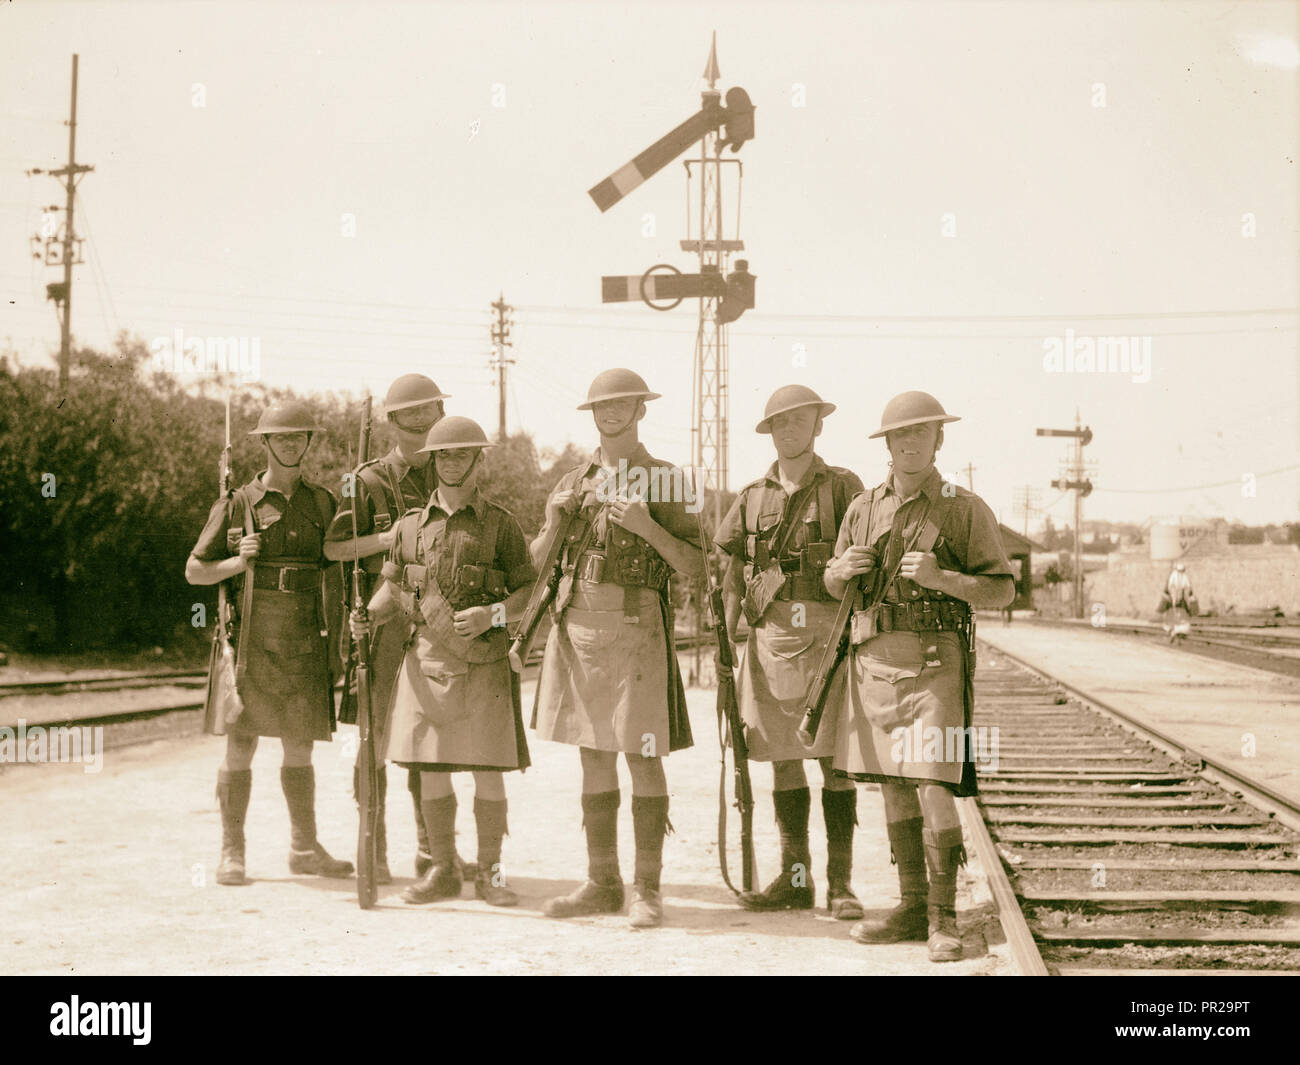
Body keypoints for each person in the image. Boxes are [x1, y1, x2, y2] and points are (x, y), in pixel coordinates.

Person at [823, 391, 1014, 962]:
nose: (909, 443)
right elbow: (836, 584)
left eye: (921, 434)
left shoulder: (963, 508)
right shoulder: (862, 507)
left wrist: (944, 578)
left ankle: (943, 919)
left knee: (933, 783)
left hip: (936, 661)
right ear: (887, 443)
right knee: (892, 784)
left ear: (939, 440)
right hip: (876, 660)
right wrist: (839, 573)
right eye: (899, 435)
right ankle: (909, 907)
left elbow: (1002, 590)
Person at [532, 368, 703, 928]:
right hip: (579, 626)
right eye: (602, 405)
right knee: (593, 754)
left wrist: (647, 526)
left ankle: (647, 890)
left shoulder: (667, 480)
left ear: (640, 410)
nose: (612, 412)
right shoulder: (573, 481)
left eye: (622, 403)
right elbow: (537, 563)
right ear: (592, 413)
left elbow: (697, 565)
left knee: (644, 756)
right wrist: (554, 521)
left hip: (637, 627)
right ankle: (601, 882)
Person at [351, 417, 536, 906]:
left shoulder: (501, 524)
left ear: (478, 459)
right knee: (430, 770)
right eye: (444, 455)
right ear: (432, 460)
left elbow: (529, 589)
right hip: (426, 660)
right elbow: (392, 587)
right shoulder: (410, 526)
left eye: (462, 454)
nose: (452, 462)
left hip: (483, 662)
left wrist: (492, 613)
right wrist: (365, 617)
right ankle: (443, 870)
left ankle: (491, 875)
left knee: (487, 769)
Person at [713, 385, 866, 917]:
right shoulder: (752, 496)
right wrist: (727, 640)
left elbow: (868, 561)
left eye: (800, 420)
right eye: (780, 423)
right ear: (770, 432)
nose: (790, 429)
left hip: (830, 638)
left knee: (835, 764)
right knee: (781, 761)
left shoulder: (845, 488)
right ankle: (795, 878)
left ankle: (841, 886)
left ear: (817, 426)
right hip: (771, 640)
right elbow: (732, 573)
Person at [186, 400, 354, 887]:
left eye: (299, 437)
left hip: (305, 638)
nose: (291, 444)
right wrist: (238, 562)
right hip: (252, 637)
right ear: (264, 443)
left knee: (299, 747)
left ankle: (304, 848)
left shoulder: (322, 503)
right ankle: (231, 852)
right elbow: (195, 571)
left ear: (308, 443)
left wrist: (338, 643)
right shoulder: (237, 503)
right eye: (281, 438)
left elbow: (336, 574)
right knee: (241, 746)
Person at [324, 373, 452, 883]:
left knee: (430, 738)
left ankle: (431, 851)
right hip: (380, 624)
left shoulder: (451, 470)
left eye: (430, 412)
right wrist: (391, 540)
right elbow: (333, 549)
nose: (422, 422)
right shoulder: (368, 480)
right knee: (374, 739)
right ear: (392, 423)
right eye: (411, 415)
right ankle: (371, 847)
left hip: (436, 625)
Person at [1163, 561, 1194, 641]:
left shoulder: (1184, 576)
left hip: (1182, 592)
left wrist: (1186, 592)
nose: (1180, 572)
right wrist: (1174, 592)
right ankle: (1170, 628)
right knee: (1172, 604)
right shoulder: (1173, 576)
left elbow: (1188, 585)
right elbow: (1170, 585)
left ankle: (1188, 610)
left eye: (1182, 571)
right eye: (1179, 571)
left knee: (1187, 603)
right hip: (1174, 592)